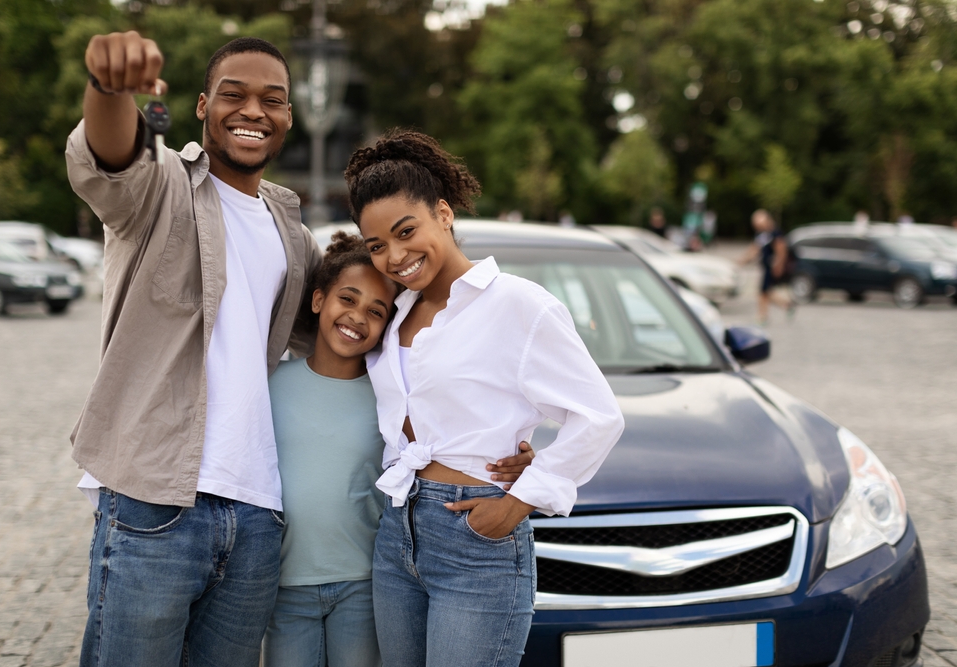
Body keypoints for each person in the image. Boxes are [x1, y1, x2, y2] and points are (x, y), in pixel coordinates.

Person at [65, 31, 322, 667]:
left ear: (289, 115)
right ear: (203, 106)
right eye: (234, 95)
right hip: (156, 500)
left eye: (274, 99)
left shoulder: (292, 231)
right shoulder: (161, 188)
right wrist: (110, 87)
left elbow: (357, 334)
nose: (254, 111)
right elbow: (111, 158)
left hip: (259, 513)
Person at [345, 130, 625, 667]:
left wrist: (519, 502)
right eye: (378, 245)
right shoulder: (397, 311)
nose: (395, 256)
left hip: (475, 537)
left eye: (407, 231)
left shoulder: (518, 305)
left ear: (443, 214)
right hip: (397, 528)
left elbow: (597, 417)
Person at [264, 233, 537, 667]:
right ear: (318, 300)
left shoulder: (390, 395)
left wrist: (519, 459)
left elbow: (455, 433)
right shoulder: (271, 385)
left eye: (376, 311)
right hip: (283, 586)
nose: (357, 317)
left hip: (367, 583)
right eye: (347, 299)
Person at [740, 208, 794, 325]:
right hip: (765, 266)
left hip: (772, 266)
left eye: (759, 224)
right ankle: (786, 305)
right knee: (766, 292)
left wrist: (779, 265)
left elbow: (781, 249)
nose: (757, 227)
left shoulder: (775, 232)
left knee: (763, 292)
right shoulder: (761, 234)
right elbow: (755, 248)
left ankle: (763, 316)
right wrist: (743, 260)